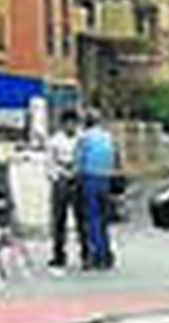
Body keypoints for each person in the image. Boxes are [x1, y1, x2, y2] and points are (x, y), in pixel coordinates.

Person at [76, 109, 119, 270]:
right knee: (103, 219)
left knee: (92, 219)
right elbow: (114, 157)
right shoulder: (107, 137)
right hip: (105, 179)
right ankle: (107, 252)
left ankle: (98, 254)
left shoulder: (85, 138)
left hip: (90, 179)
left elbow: (78, 162)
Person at [46, 109, 84, 269]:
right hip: (60, 181)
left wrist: (77, 172)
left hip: (77, 180)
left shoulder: (82, 139)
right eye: (68, 123)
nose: (71, 126)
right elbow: (49, 162)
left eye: (74, 123)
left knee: (81, 219)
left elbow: (83, 158)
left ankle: (86, 253)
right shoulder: (55, 140)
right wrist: (57, 176)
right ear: (63, 124)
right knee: (58, 220)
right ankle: (58, 254)